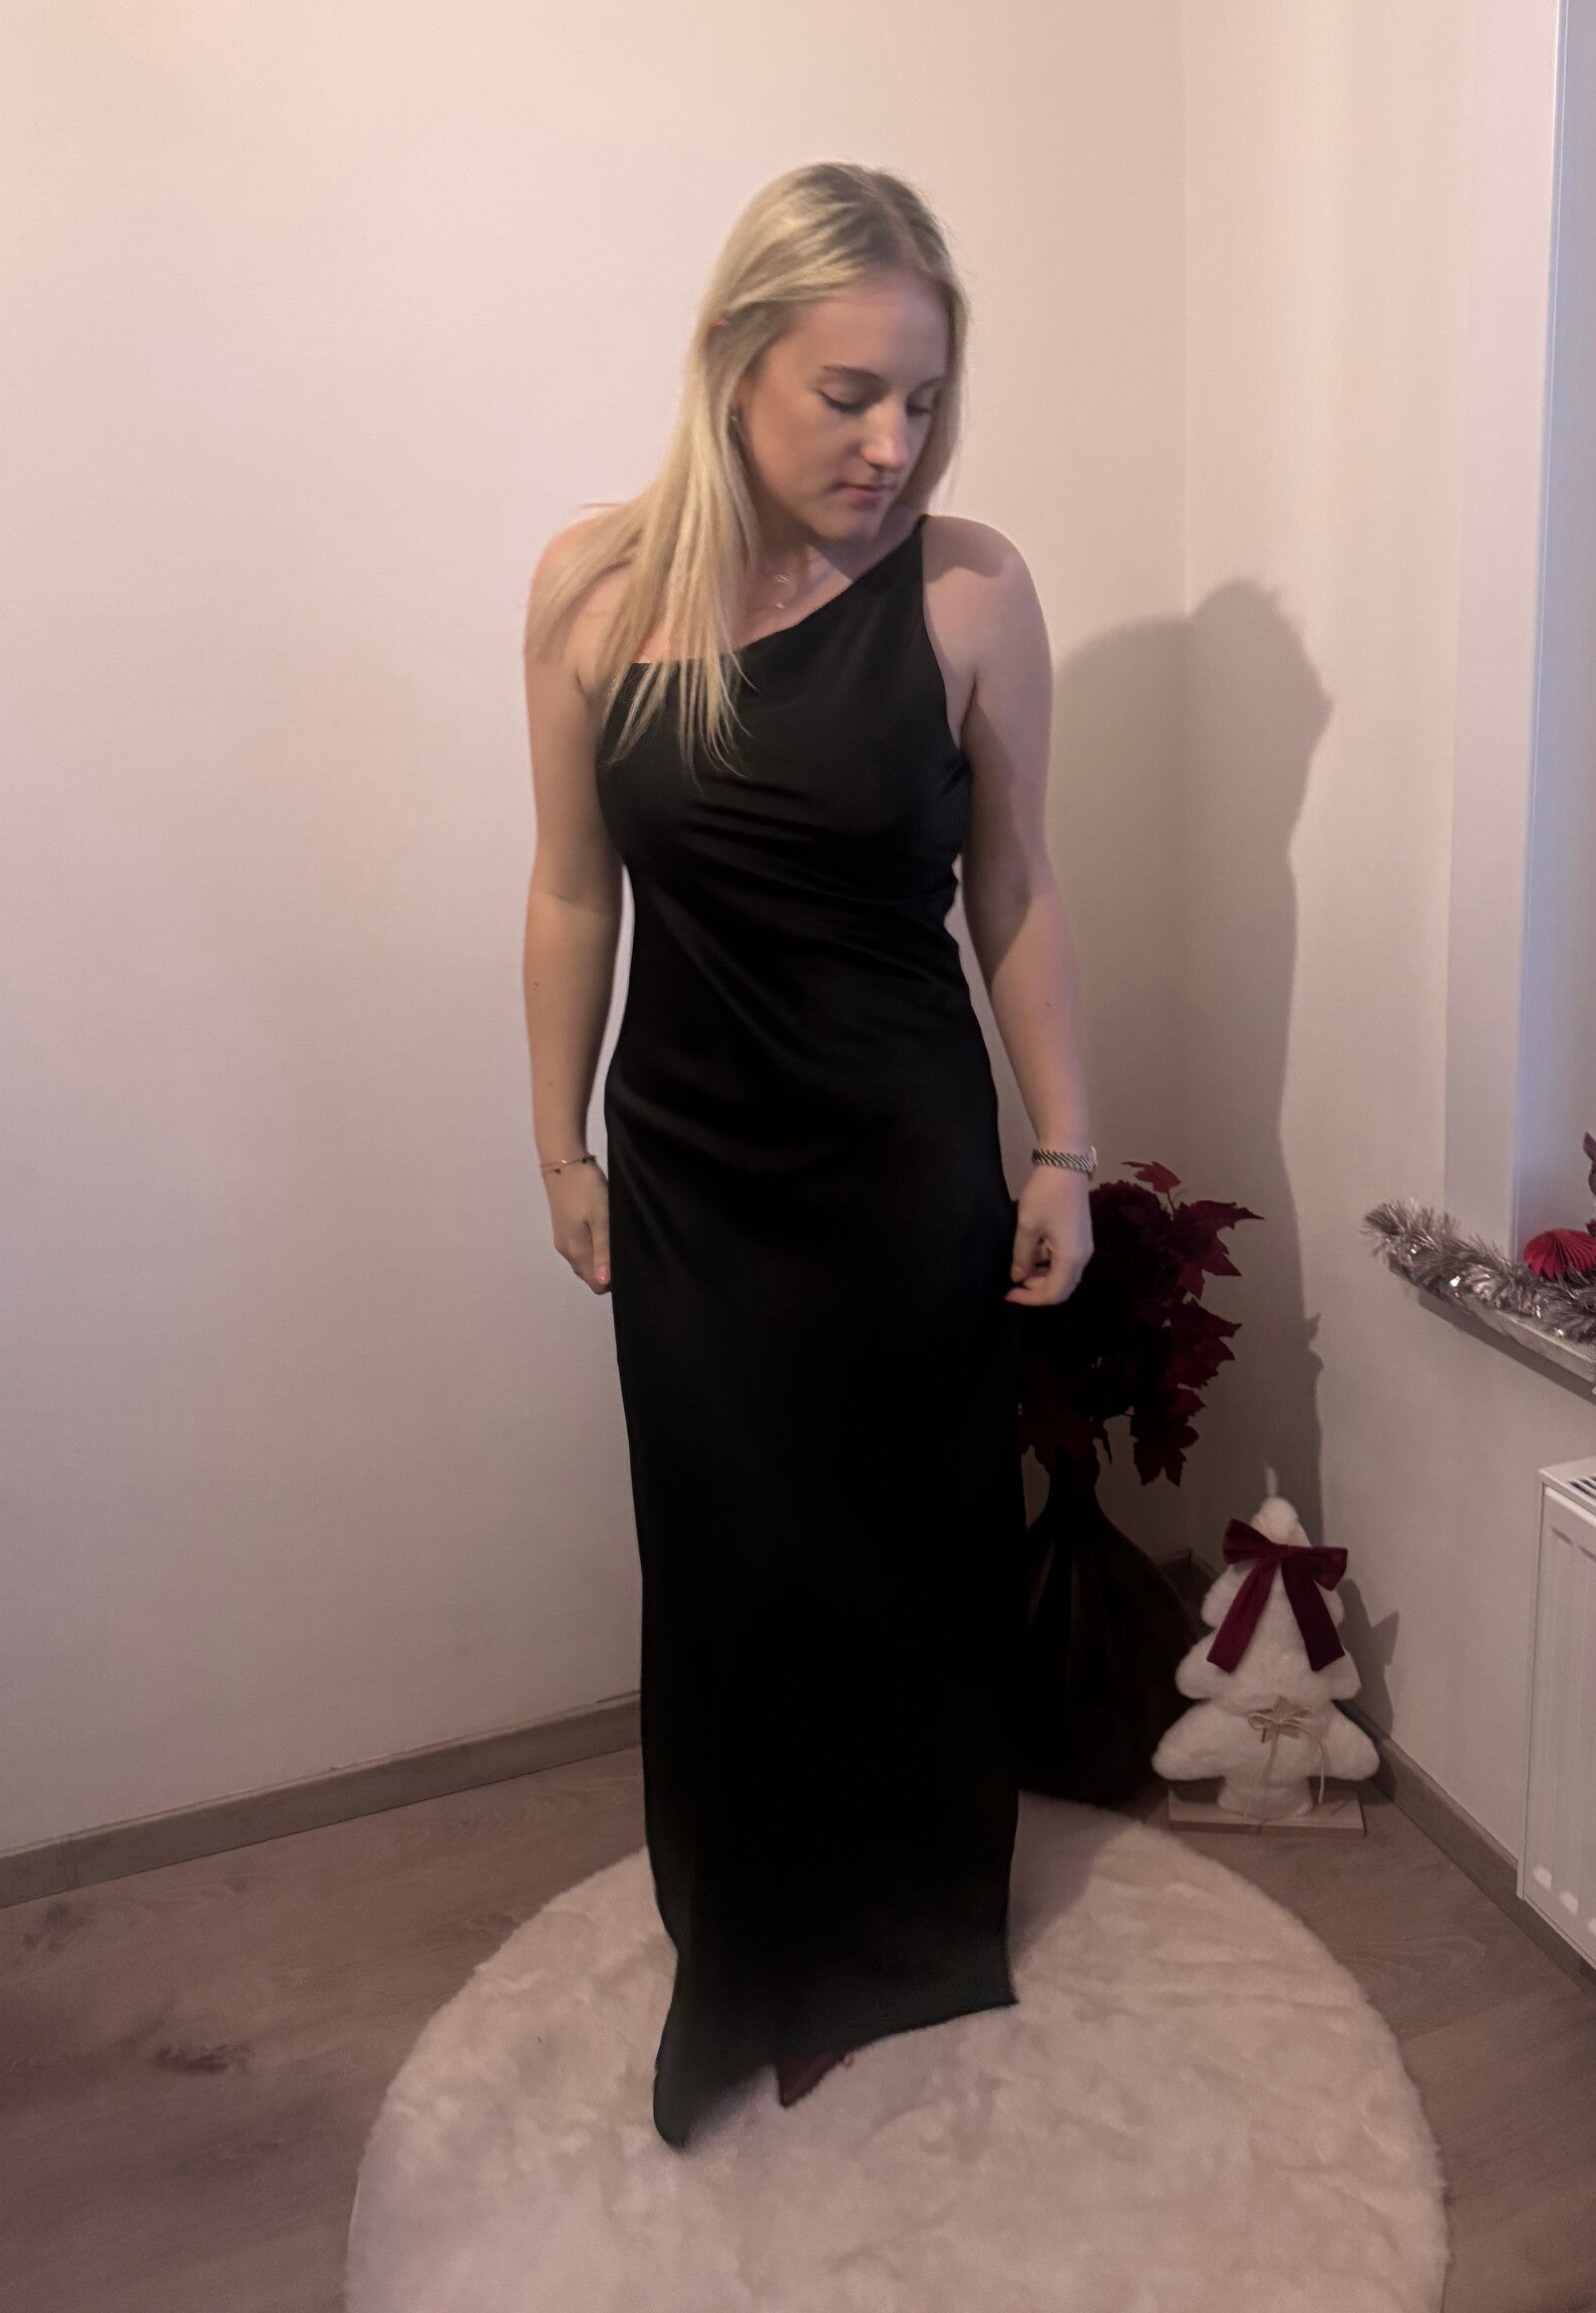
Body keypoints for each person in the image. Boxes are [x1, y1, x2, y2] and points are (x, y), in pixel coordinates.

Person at [519, 161, 1095, 2148]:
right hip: (689, 1169)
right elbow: (571, 890)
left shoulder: (969, 594)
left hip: (901, 1173)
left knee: (908, 1553)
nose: (892, 444)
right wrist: (557, 1147)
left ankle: (905, 1934)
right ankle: (751, 1941)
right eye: (850, 393)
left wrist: (1064, 1147)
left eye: (924, 399)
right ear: (736, 362)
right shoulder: (593, 593)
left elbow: (1016, 890)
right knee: (729, 1561)